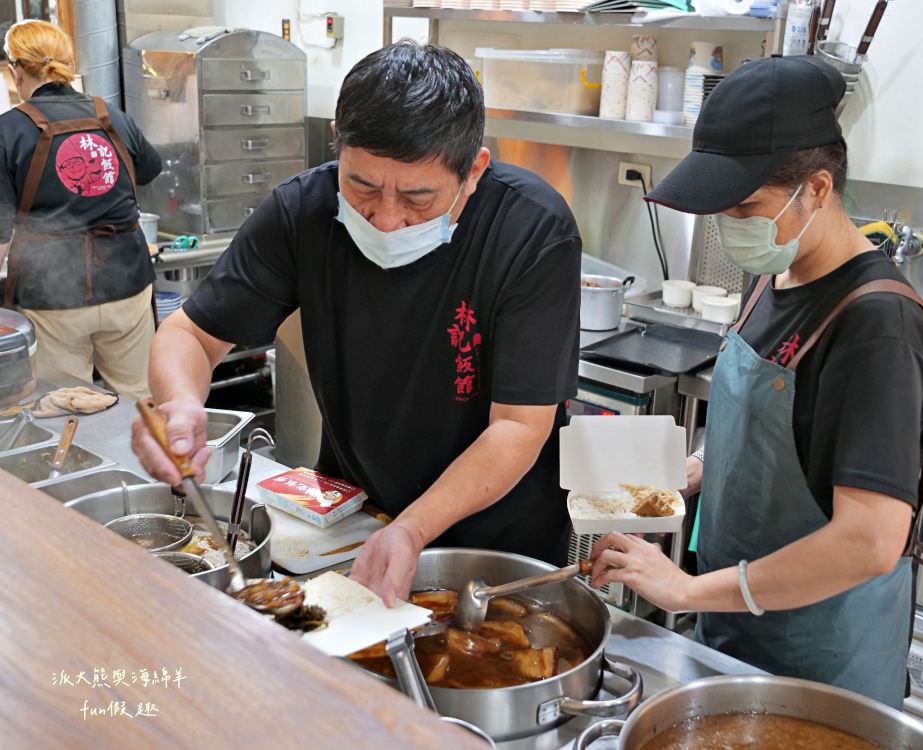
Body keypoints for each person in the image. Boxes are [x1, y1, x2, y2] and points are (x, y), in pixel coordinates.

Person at [131, 42, 582, 604]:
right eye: (363, 186)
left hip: (494, 539)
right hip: (353, 516)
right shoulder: (304, 212)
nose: (388, 219)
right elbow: (191, 334)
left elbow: (518, 426)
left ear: (474, 172)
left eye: (418, 197)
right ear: (338, 149)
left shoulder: (531, 231)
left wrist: (414, 528)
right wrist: (179, 405)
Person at [589, 55, 923, 708]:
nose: (732, 225)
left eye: (746, 206)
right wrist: (689, 469)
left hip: (822, 669)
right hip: (738, 636)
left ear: (817, 188)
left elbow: (869, 541)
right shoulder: (775, 275)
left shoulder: (878, 326)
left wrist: (687, 590)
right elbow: (764, 435)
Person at [0, 20, 162, 400]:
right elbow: (150, 169)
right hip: (126, 285)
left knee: (67, 406)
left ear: (16, 70)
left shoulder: (7, 131)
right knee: (142, 403)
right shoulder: (113, 117)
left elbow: (0, 234)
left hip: (54, 297)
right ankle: (147, 461)